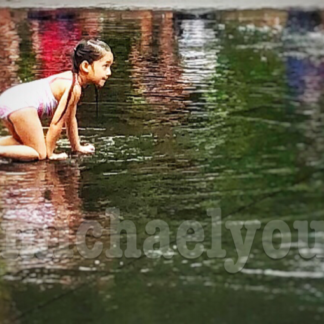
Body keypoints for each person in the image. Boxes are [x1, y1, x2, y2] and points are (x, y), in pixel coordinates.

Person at [0, 39, 113, 161]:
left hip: (10, 99)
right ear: (85, 66)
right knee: (40, 154)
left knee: (21, 142)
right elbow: (56, 123)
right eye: (105, 66)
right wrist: (50, 153)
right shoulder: (73, 88)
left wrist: (77, 147)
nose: (109, 72)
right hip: (20, 105)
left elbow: (70, 119)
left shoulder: (71, 79)